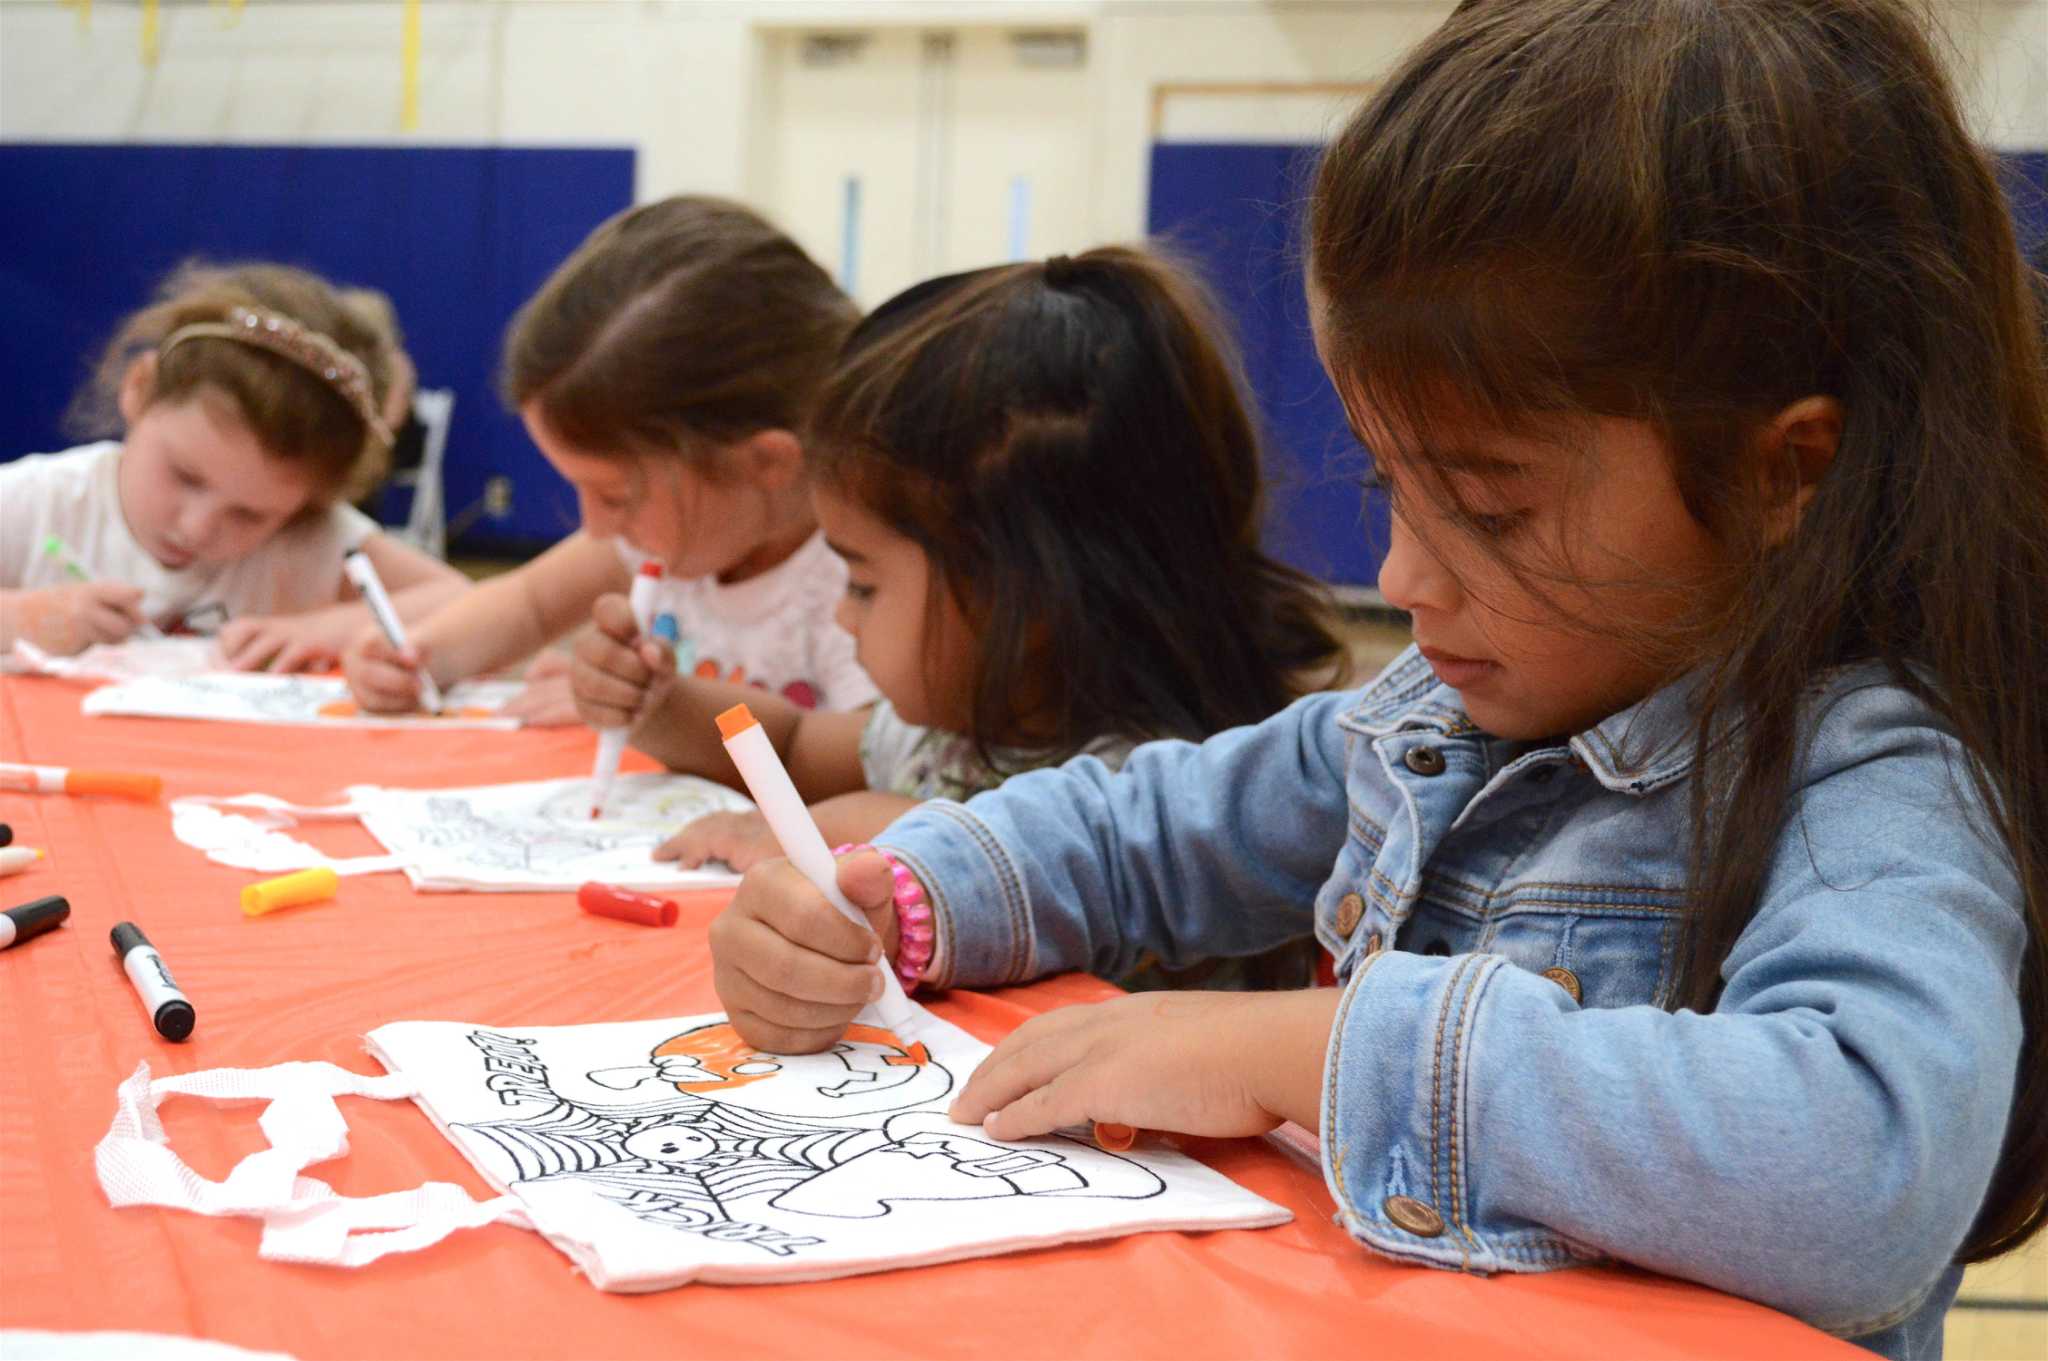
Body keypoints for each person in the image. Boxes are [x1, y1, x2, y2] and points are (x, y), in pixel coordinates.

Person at [703, 3, 2048, 1357]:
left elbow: (1861, 1167)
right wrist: (920, 893)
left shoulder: (1873, 776)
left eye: (1486, 506)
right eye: (1387, 483)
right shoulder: (1431, 715)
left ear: (1778, 474)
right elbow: (1145, 829)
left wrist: (1315, 1049)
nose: (1403, 573)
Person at [572, 248, 1347, 986]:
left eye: (865, 585)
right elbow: (791, 742)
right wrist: (659, 702)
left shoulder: (1160, 802)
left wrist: (859, 825)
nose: (842, 615)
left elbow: (1052, 911)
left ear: (1031, 599)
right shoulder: (947, 726)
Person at [342, 196, 875, 724]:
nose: (596, 525)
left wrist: (656, 712)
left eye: (617, 496)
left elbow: (876, 760)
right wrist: (418, 655)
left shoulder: (862, 580)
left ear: (765, 464)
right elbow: (529, 603)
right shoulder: (670, 534)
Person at [0, 261, 465, 664]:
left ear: (306, 502)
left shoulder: (308, 539)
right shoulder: (40, 502)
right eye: (185, 476)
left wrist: (327, 631)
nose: (198, 527)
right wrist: (22, 618)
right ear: (139, 388)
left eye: (249, 514)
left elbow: (465, 605)